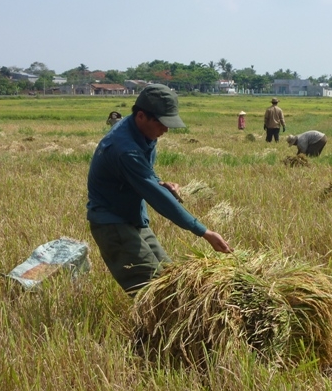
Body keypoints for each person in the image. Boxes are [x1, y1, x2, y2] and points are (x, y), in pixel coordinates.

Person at [87, 84, 233, 296]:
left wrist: (158, 181)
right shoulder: (124, 149)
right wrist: (204, 232)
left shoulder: (143, 134)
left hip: (133, 217)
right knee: (154, 294)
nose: (166, 130)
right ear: (141, 116)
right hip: (112, 223)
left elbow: (145, 175)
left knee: (169, 278)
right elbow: (159, 200)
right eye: (162, 123)